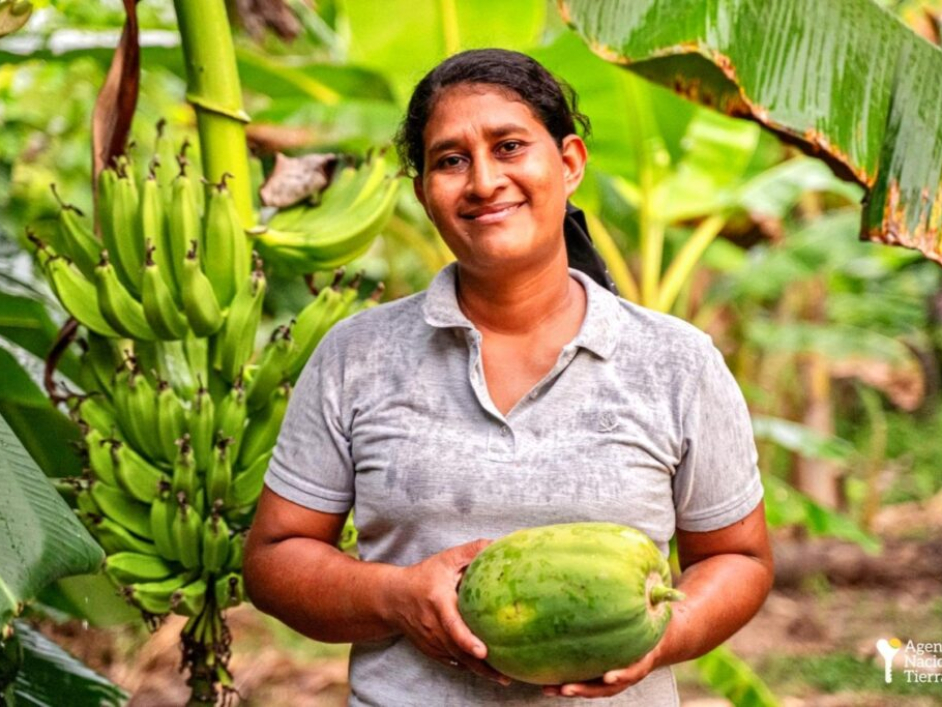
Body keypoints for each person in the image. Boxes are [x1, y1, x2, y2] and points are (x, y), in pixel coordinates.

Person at [244, 48, 774, 705]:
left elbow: (738, 557)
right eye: (450, 160)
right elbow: (275, 558)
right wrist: (395, 596)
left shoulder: (677, 361)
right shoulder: (357, 355)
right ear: (423, 193)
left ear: (570, 162)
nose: (484, 180)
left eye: (510, 146)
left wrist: (660, 637)